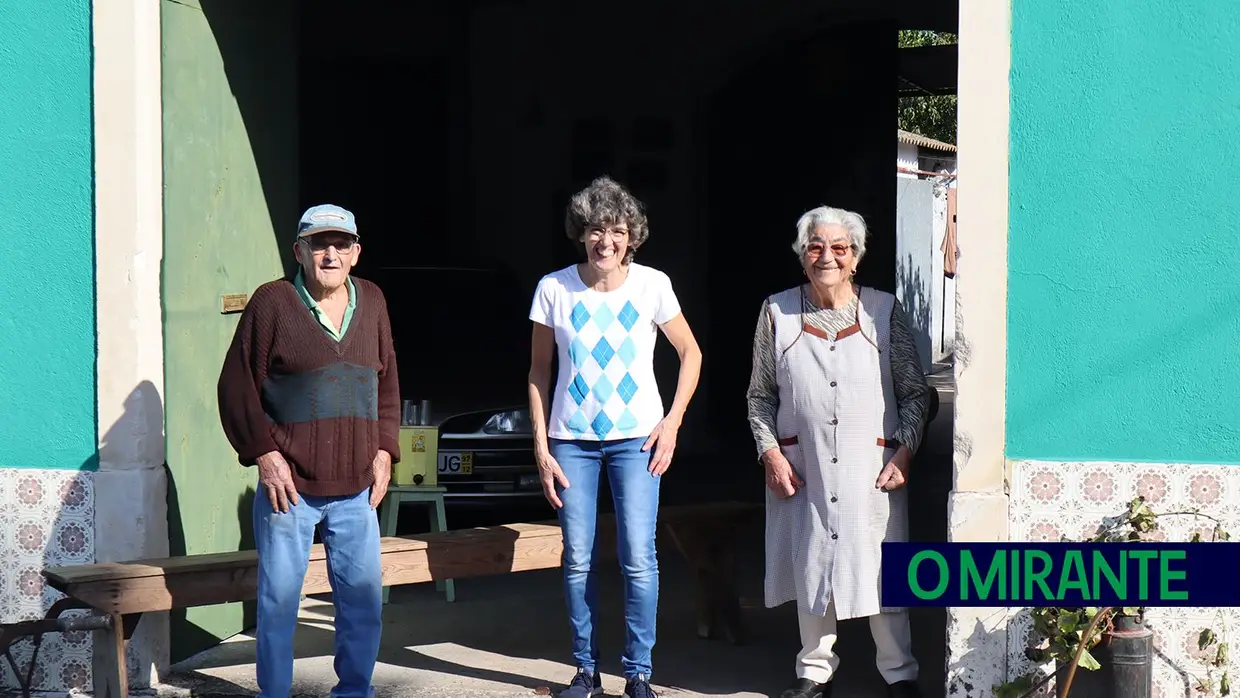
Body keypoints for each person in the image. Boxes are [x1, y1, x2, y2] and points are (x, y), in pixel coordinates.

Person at [528, 176, 702, 698]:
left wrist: (672, 422)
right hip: (571, 443)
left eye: (619, 231)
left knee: (638, 557)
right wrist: (540, 447)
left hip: (637, 441)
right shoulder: (553, 289)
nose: (607, 241)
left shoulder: (653, 286)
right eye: (596, 230)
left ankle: (638, 673)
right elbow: (539, 370)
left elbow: (691, 353)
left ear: (634, 237)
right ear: (580, 233)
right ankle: (585, 670)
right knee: (577, 556)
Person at [746, 206, 931, 698]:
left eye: (839, 248)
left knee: (881, 567)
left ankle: (899, 672)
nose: (826, 256)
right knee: (811, 562)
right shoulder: (777, 312)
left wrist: (905, 450)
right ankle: (814, 670)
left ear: (855, 259)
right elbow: (760, 396)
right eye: (815, 246)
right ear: (802, 255)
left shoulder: (883, 311)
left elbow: (915, 394)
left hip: (870, 466)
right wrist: (771, 453)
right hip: (801, 463)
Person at [217, 203, 400, 698]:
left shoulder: (375, 301)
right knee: (278, 604)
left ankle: (353, 692)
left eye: (341, 244)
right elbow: (236, 388)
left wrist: (386, 449)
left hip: (357, 486)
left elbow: (386, 386)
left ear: (356, 253)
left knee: (362, 604)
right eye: (319, 243)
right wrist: (264, 454)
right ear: (299, 251)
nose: (330, 253)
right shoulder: (272, 303)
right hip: (290, 489)